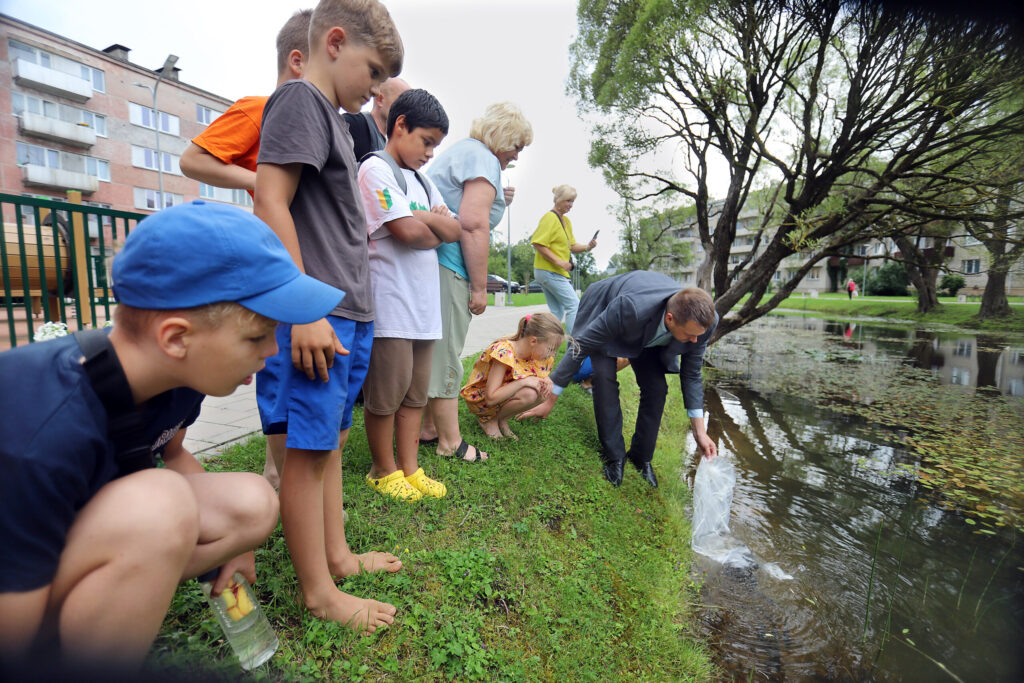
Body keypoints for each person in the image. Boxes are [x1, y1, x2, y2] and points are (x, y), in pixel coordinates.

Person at [0, 201, 345, 668]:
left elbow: (175, 452)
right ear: (176, 338)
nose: (270, 351)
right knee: (160, 504)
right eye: (256, 337)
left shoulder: (178, 378)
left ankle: (120, 594)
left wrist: (230, 547)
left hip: (63, 536)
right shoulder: (39, 429)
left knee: (253, 503)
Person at [252, 0, 404, 633]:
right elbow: (271, 198)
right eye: (371, 74)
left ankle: (336, 557)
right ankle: (319, 594)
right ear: (334, 42)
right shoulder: (300, 102)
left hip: (350, 313)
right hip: (321, 312)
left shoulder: (337, 121)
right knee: (307, 454)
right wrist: (303, 306)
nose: (372, 91)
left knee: (331, 445)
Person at [179, 9, 311, 488]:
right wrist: (262, 181)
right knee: (275, 361)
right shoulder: (262, 107)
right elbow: (192, 159)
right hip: (276, 259)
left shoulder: (316, 122)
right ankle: (277, 470)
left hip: (307, 255)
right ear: (298, 62)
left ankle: (291, 465)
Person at [520, 271, 719, 488]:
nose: (695, 341)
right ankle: (615, 456)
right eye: (690, 335)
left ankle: (641, 457)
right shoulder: (630, 307)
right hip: (607, 308)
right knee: (605, 379)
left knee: (657, 388)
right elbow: (583, 345)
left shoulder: (704, 323)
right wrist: (550, 400)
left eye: (698, 336)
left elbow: (691, 373)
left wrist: (700, 432)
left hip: (650, 329)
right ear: (670, 319)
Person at [418, 102, 534, 462]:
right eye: (517, 146)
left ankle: (426, 428)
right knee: (446, 352)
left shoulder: (470, 154)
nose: (517, 155)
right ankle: (449, 441)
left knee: (431, 351)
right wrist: (480, 286)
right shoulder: (482, 158)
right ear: (502, 137)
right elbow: (473, 224)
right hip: (450, 265)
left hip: (431, 261)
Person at [359, 89, 460, 500]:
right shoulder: (375, 169)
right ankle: (383, 470)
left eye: (436, 145)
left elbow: (454, 232)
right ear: (400, 126)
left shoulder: (422, 180)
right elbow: (409, 233)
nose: (431, 153)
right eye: (427, 141)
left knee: (415, 395)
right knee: (386, 394)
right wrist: (426, 221)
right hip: (391, 305)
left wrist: (419, 217)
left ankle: (410, 468)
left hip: (424, 308)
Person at [460, 312, 563, 442]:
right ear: (533, 341)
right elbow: (490, 398)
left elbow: (536, 375)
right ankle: (489, 421)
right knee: (529, 393)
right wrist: (523, 382)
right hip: (482, 400)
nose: (552, 354)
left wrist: (546, 380)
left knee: (543, 390)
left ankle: (502, 419)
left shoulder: (534, 354)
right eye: (550, 349)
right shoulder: (505, 352)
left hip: (503, 395)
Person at [531, 184, 597, 334]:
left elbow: (572, 246)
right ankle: (575, 347)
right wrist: (559, 261)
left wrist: (588, 246)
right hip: (549, 271)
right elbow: (538, 243)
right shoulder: (549, 218)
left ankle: (543, 342)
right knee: (574, 305)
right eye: (568, 201)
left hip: (553, 272)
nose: (571, 205)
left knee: (557, 311)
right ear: (557, 199)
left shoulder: (566, 222)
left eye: (572, 201)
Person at [343, 77, 410, 160]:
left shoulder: (386, 149)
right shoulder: (352, 124)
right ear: (380, 100)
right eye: (402, 102)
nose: (407, 110)